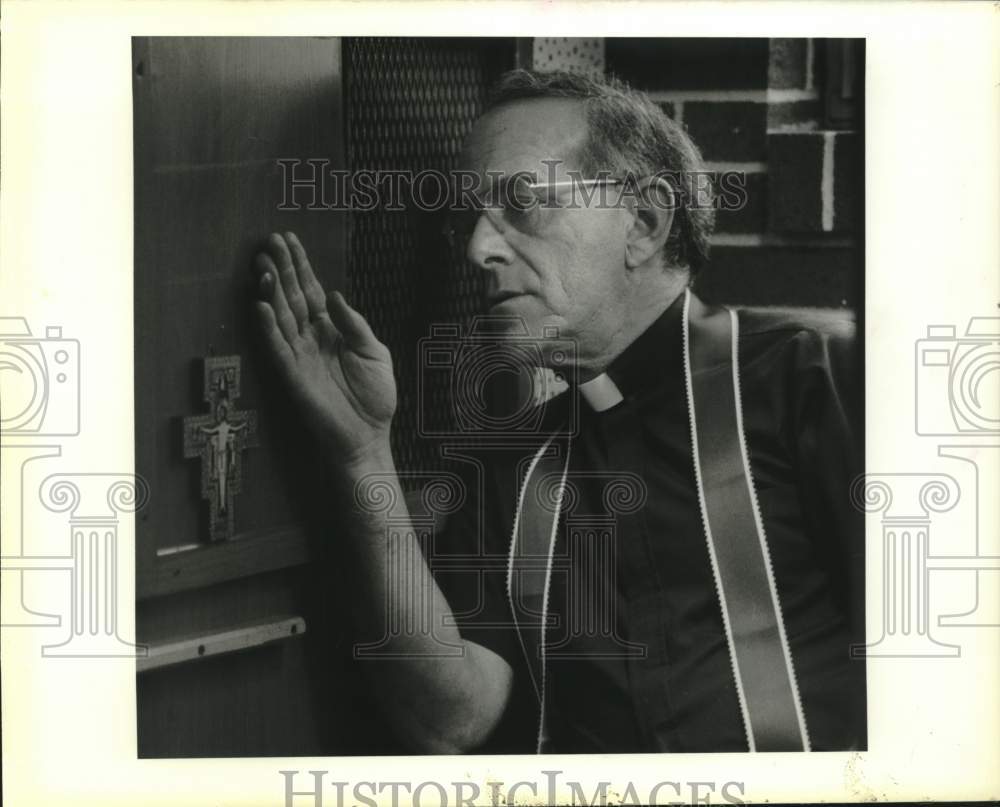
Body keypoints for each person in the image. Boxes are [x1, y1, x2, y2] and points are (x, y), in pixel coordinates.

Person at [251, 69, 865, 754]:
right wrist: (361, 449)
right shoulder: (505, 464)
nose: (477, 249)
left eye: (522, 203)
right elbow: (452, 719)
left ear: (644, 223)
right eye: (472, 218)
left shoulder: (820, 376)